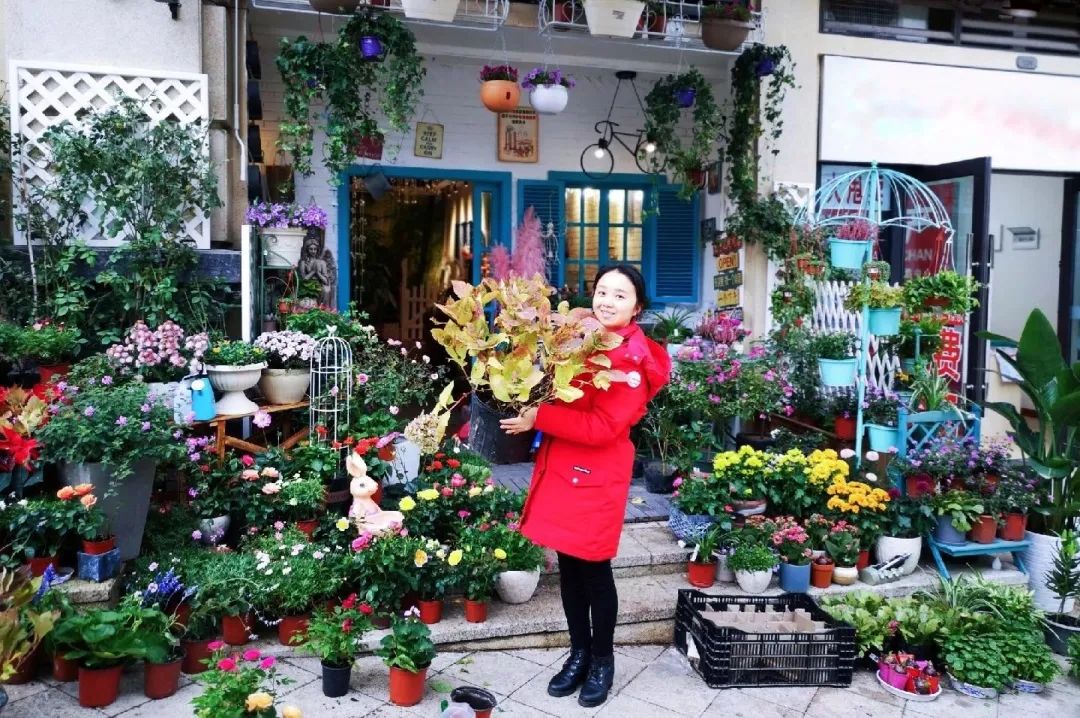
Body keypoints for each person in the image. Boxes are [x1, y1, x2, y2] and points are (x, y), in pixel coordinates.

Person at [500, 264, 671, 707]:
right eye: (602, 292)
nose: (607, 301)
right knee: (569, 570)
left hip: (597, 475)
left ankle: (602, 660)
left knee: (594, 571)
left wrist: (540, 417)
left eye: (619, 295)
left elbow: (602, 426)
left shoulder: (630, 361)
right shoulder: (579, 336)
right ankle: (577, 654)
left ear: (637, 307)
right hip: (564, 467)